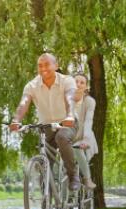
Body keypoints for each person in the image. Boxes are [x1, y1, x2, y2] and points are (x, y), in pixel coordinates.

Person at [9, 53, 81, 191]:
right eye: (40, 65)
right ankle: (45, 207)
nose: (43, 68)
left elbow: (69, 99)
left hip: (68, 123)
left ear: (56, 65)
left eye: (47, 64)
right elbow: (23, 103)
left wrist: (70, 115)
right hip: (47, 126)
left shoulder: (67, 81)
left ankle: (73, 175)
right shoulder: (32, 85)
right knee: (44, 162)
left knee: (62, 137)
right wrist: (16, 120)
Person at [73, 73, 98, 189]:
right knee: (63, 170)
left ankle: (87, 179)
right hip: (69, 138)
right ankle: (61, 203)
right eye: (76, 81)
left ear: (86, 87)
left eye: (82, 82)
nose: (78, 84)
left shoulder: (89, 102)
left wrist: (86, 140)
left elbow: (88, 121)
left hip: (84, 138)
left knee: (76, 149)